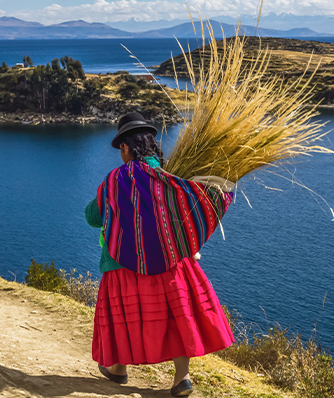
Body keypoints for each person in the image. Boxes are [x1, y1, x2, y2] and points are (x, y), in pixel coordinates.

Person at [85, 112, 235, 397]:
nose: (121, 154)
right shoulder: (172, 178)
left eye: (121, 149)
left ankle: (118, 369)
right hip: (171, 263)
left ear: (127, 148)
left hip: (121, 263)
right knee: (176, 318)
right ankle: (182, 378)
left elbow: (93, 216)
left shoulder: (115, 180)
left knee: (123, 317)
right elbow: (197, 202)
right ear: (151, 145)